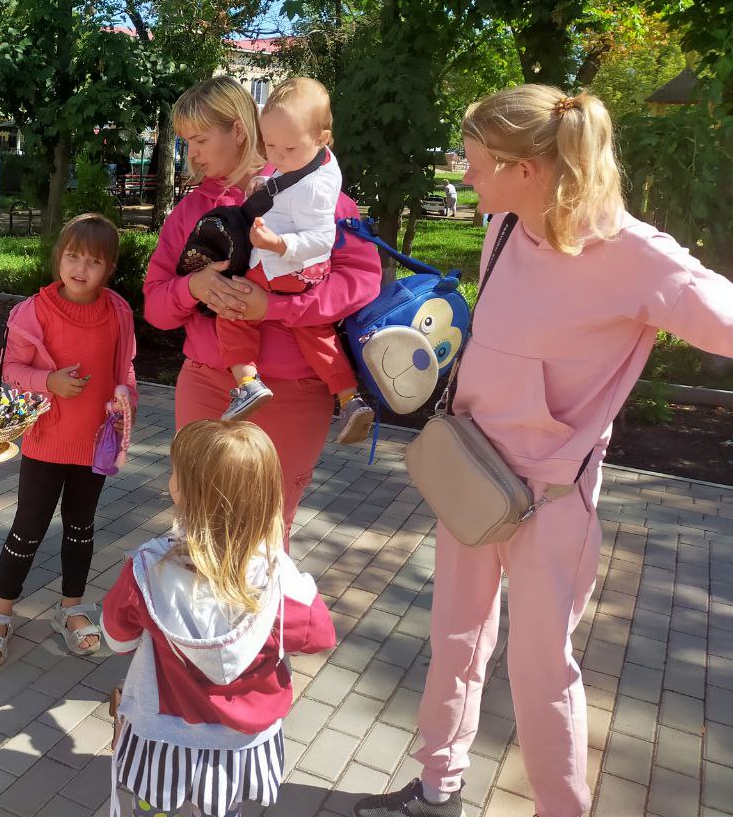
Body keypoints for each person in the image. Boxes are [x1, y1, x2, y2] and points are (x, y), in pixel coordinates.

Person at [352, 85, 733, 817]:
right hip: (472, 482)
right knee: (454, 642)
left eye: (473, 162)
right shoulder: (502, 225)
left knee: (539, 672)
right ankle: (437, 788)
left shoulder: (636, 257)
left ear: (523, 168)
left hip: (550, 506)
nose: (465, 177)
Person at [143, 75, 383, 535]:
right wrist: (193, 289)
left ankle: (265, 611)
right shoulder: (191, 210)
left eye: (199, 139)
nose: (190, 154)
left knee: (268, 532)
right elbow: (154, 305)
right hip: (207, 385)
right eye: (186, 141)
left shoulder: (318, 193)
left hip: (293, 392)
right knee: (196, 526)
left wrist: (272, 307)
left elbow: (361, 284)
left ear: (237, 130)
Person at [101, 421, 336, 817]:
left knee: (154, 801)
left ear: (185, 490)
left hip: (161, 732)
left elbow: (117, 637)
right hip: (241, 744)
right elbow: (320, 636)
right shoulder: (280, 581)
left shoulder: (148, 567)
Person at [0, 214, 138, 666]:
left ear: (109, 268)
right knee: (28, 528)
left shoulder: (118, 312)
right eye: (72, 256)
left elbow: (124, 369)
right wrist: (49, 381)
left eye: (94, 261)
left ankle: (72, 608)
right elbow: (9, 371)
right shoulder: (35, 311)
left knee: (81, 528)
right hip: (46, 442)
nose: (80, 268)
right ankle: (0, 610)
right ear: (58, 258)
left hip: (93, 445)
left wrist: (125, 397)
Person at [213, 77, 375, 443]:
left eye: (286, 148)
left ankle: (247, 382)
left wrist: (278, 243)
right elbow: (283, 178)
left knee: (233, 309)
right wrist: (263, 181)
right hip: (305, 277)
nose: (276, 156)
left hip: (281, 267)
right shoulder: (309, 163)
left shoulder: (319, 189)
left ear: (323, 138)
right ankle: (349, 397)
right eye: (269, 145)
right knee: (316, 334)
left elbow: (322, 237)